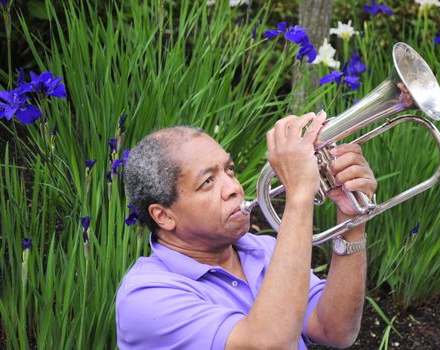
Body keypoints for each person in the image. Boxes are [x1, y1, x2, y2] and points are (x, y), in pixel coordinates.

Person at [116, 111, 377, 349]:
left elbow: (335, 330)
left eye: (229, 170)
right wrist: (299, 194)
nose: (233, 188)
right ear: (163, 216)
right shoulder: (145, 297)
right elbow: (269, 345)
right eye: (207, 182)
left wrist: (352, 220)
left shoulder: (263, 248)